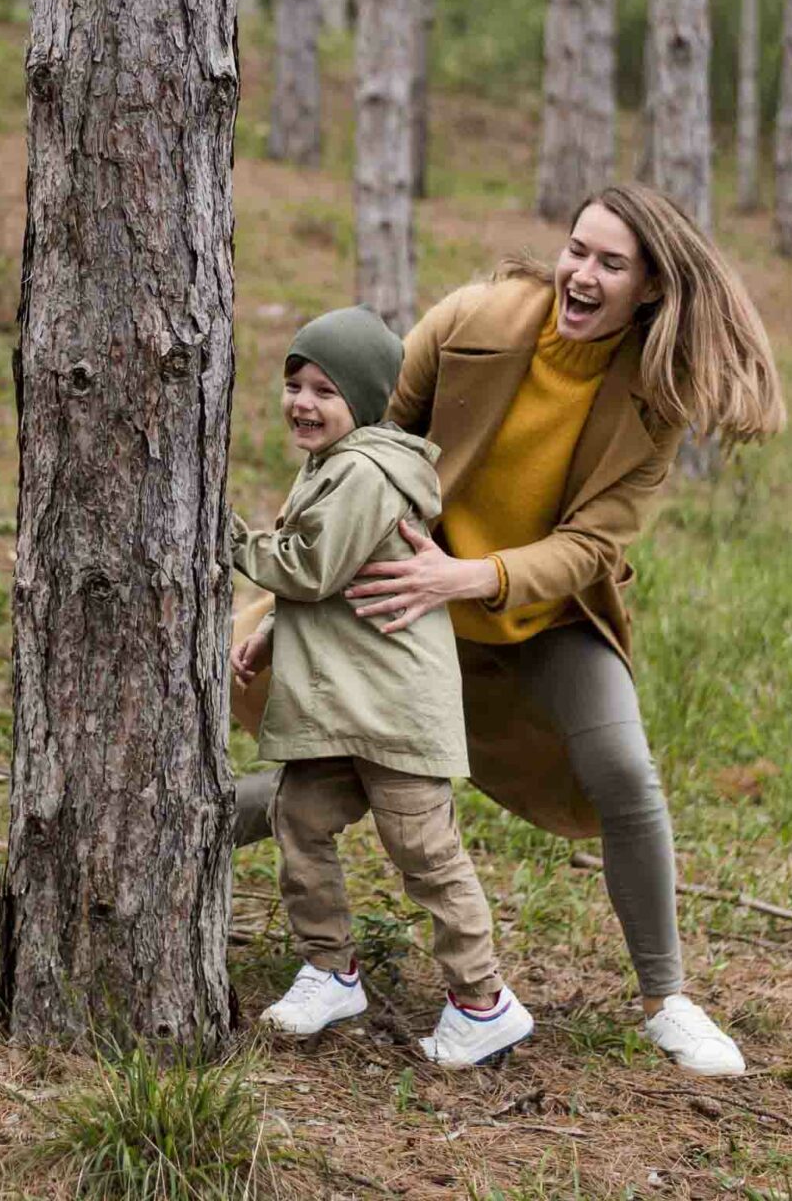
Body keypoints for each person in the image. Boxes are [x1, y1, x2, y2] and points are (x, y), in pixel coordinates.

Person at [231, 184, 787, 1077]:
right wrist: (279, 613)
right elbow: (354, 462)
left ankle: (667, 999)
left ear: (649, 286)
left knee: (623, 771)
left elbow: (589, 547)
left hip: (540, 615)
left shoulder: (654, 400)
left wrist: (473, 575)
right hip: (407, 604)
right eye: (578, 250)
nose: (583, 272)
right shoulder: (472, 322)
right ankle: (165, 858)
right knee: (331, 773)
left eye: (612, 263)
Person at [228, 306, 535, 1068]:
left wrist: (224, 536)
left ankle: (482, 1001)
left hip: (393, 712)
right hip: (344, 709)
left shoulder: (365, 470)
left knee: (424, 853)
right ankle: (331, 969)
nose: (302, 402)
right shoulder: (334, 464)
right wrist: (271, 634)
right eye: (294, 383)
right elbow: (333, 584)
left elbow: (311, 566)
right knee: (300, 816)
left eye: (325, 390)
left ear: (362, 402)